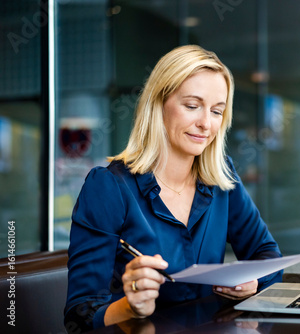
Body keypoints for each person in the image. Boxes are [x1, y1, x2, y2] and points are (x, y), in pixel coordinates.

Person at [64, 45, 282, 332]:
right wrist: (131, 306)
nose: (205, 123)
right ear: (158, 104)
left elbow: (267, 255)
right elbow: (78, 317)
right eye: (192, 106)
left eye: (217, 111)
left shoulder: (221, 178)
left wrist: (253, 282)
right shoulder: (108, 187)